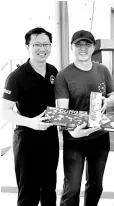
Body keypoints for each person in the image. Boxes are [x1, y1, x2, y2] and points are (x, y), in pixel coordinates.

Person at [55, 30, 114, 206]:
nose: (83, 49)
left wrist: (108, 100)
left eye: (87, 45)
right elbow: (63, 111)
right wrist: (73, 133)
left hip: (99, 136)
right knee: (72, 188)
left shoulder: (102, 70)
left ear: (94, 47)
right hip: (74, 138)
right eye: (78, 45)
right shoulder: (64, 75)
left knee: (96, 185)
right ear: (72, 47)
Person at [0, 27, 59, 206]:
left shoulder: (53, 72)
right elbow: (5, 110)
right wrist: (31, 123)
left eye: (46, 44)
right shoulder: (16, 77)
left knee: (49, 188)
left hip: (50, 138)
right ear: (28, 47)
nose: (42, 49)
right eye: (37, 44)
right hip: (27, 140)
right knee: (28, 191)